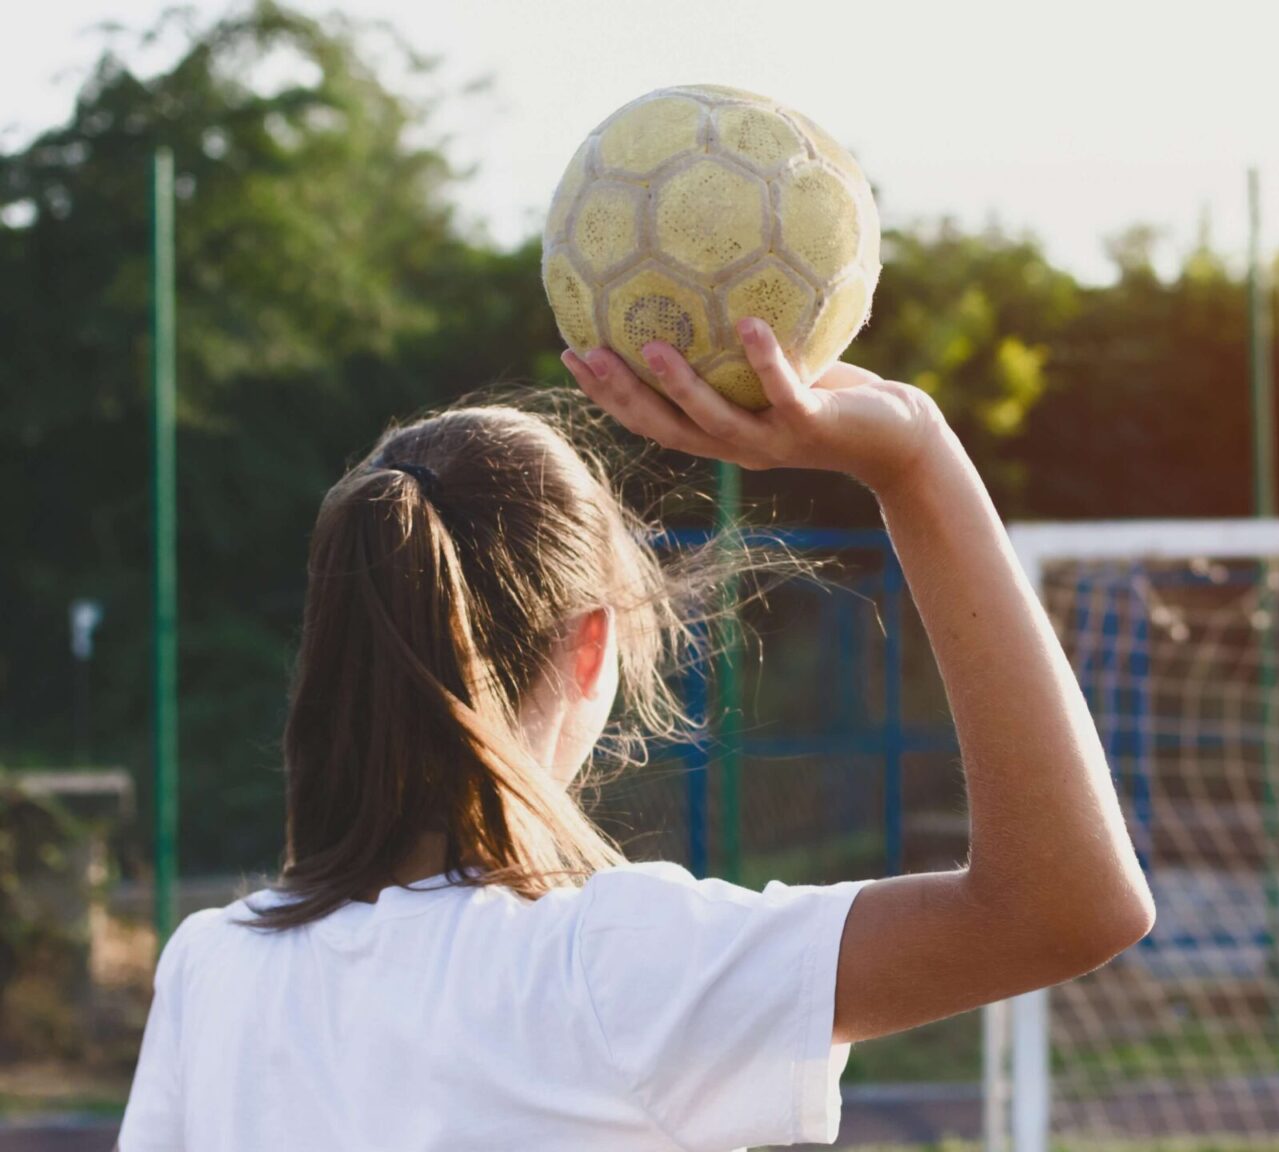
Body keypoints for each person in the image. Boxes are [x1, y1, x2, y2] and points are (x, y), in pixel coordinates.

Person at [117, 320, 1155, 1151]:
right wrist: (916, 456)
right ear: (590, 646)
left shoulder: (213, 971)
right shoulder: (613, 970)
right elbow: (1069, 906)